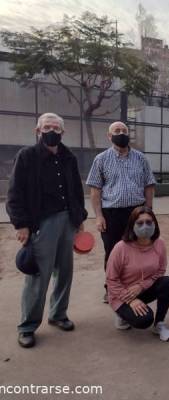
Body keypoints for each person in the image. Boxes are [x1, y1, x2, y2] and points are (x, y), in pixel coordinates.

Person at [6, 113, 88, 348]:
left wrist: (79, 217)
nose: (51, 131)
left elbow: (75, 189)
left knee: (65, 272)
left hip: (67, 222)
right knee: (37, 277)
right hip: (41, 224)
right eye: (47, 127)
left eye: (56, 127)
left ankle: (58, 314)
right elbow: (14, 194)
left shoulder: (69, 157)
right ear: (38, 130)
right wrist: (21, 224)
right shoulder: (27, 157)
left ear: (63, 132)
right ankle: (27, 326)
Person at [86, 121, 156, 303]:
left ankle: (136, 286)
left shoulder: (141, 158)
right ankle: (111, 289)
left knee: (138, 249)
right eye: (116, 131)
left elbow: (149, 185)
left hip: (137, 213)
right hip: (111, 214)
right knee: (113, 253)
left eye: (124, 130)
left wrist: (148, 210)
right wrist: (99, 216)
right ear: (109, 136)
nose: (121, 133)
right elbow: (95, 190)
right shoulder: (101, 159)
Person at [106, 206, 169, 342]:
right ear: (132, 225)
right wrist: (130, 300)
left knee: (167, 282)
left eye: (149, 222)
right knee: (144, 320)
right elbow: (111, 280)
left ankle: (159, 324)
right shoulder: (121, 248)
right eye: (140, 223)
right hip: (122, 294)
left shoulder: (159, 243)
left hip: (143, 289)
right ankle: (122, 315)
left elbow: (161, 270)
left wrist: (142, 286)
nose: (145, 226)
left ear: (155, 224)